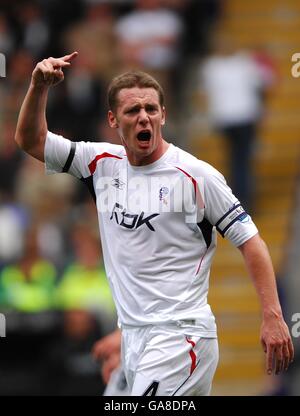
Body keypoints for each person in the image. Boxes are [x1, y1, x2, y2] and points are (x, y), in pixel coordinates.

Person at [14, 51, 294, 396]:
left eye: (151, 109)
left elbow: (251, 241)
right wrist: (38, 86)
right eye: (133, 110)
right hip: (133, 337)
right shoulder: (100, 163)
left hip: (180, 338)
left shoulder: (195, 176)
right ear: (114, 120)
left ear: (163, 114)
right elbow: (30, 141)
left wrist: (272, 315)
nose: (144, 117)